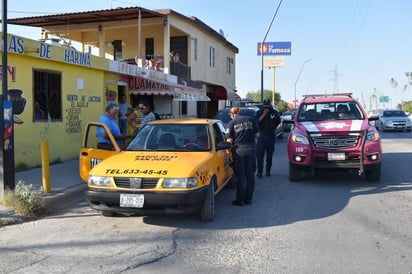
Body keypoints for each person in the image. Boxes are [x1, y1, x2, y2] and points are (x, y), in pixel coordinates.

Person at [226, 107, 260, 206]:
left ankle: (240, 200)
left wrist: (228, 151)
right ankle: (248, 199)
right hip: (251, 148)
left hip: (239, 150)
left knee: (241, 176)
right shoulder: (250, 119)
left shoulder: (231, 123)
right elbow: (257, 134)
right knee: (250, 175)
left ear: (232, 114)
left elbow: (229, 141)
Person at [255, 99, 281, 178]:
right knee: (260, 155)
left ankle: (267, 171)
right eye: (265, 106)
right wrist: (264, 114)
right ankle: (259, 172)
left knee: (269, 155)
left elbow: (278, 121)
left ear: (270, 105)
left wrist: (272, 128)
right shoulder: (259, 112)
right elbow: (257, 122)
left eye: (268, 106)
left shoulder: (274, 112)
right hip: (262, 136)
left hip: (270, 136)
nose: (267, 107)